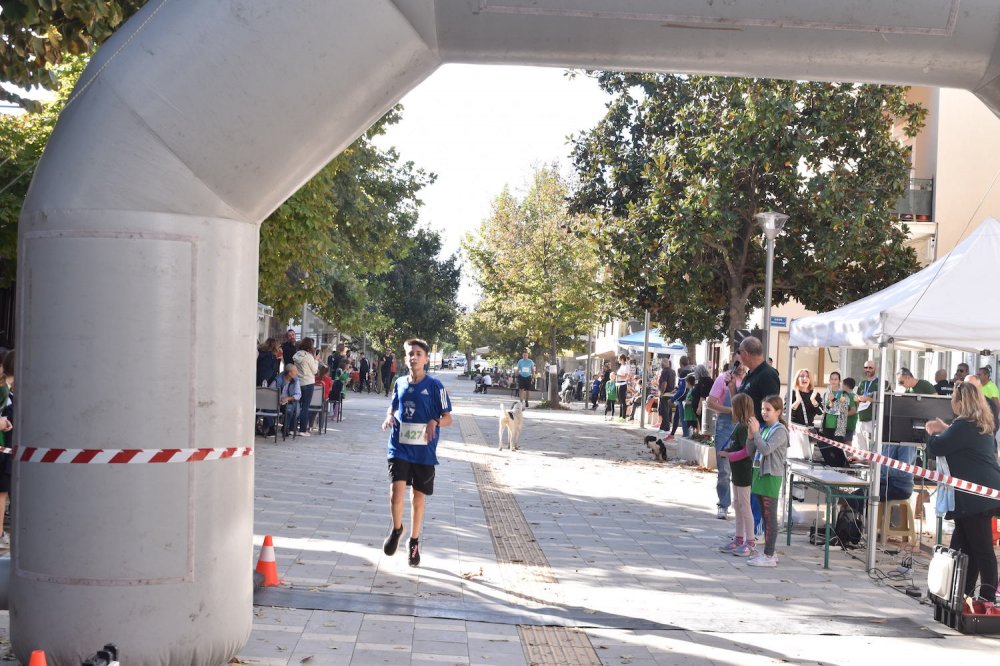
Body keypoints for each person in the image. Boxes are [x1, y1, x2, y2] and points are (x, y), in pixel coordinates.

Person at [381, 338, 453, 568]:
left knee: (417, 498)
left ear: (425, 358)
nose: (414, 357)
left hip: (424, 450)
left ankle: (413, 542)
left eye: (418, 353)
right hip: (399, 445)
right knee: (396, 493)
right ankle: (396, 529)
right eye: (410, 353)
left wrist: (435, 421)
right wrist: (389, 416)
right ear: (406, 358)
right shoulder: (399, 382)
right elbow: (392, 406)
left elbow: (448, 418)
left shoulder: (435, 386)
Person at [925, 381, 1000, 602]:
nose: (951, 404)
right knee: (963, 545)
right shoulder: (979, 423)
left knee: (980, 546)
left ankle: (985, 595)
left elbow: (937, 447)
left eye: (953, 401)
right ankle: (960, 593)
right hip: (982, 493)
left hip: (975, 497)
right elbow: (961, 441)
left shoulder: (964, 426)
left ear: (960, 402)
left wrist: (930, 433)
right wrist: (945, 429)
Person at [745, 395, 790, 567]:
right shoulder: (764, 428)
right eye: (763, 409)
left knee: (770, 516)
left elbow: (765, 449)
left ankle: (769, 555)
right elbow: (751, 451)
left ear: (778, 412)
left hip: (771, 476)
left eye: (768, 410)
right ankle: (767, 553)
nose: (764, 413)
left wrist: (756, 433)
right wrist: (751, 436)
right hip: (759, 474)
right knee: (764, 514)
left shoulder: (780, 431)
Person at [717, 393, 756, 556]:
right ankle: (739, 539)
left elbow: (747, 451)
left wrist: (729, 455)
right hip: (737, 473)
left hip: (744, 473)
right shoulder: (739, 426)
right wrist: (728, 451)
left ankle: (750, 542)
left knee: (745, 507)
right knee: (738, 506)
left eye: (734, 407)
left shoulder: (744, 427)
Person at [707, 359, 745, 519]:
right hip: (725, 425)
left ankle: (742, 505)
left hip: (744, 425)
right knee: (724, 469)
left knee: (743, 469)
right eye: (739, 361)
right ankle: (723, 504)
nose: (742, 365)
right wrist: (730, 410)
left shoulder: (750, 381)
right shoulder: (723, 378)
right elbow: (710, 403)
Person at [735, 336, 780, 424]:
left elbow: (772, 411)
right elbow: (738, 405)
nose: (739, 356)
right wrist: (731, 387)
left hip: (758, 432)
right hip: (746, 429)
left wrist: (758, 434)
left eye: (739, 352)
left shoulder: (767, 375)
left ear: (746, 353)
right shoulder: (749, 375)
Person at [819, 371, 855, 467]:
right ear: (829, 380)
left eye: (836, 379)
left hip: (838, 427)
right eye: (832, 379)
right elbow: (825, 408)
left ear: (839, 381)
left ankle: (842, 468)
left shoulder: (844, 394)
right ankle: (829, 467)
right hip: (827, 425)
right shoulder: (827, 393)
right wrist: (828, 406)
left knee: (837, 450)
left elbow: (844, 409)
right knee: (828, 450)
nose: (834, 381)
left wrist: (834, 400)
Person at [0, 351, 16, 550]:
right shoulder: (4, 389)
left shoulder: (8, 389)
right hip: (4, 449)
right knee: (2, 494)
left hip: (6, 449)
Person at [293, 337, 319, 436]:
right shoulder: (309, 357)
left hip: (298, 382)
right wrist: (316, 360)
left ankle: (292, 428)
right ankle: (303, 430)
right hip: (308, 382)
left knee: (297, 405)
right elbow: (315, 371)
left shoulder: (296, 355)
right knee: (305, 407)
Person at [855, 361, 882, 451]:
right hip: (861, 418)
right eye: (866, 367)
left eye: (870, 368)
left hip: (873, 419)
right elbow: (857, 397)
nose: (868, 370)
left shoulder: (881, 383)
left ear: (875, 369)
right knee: (861, 448)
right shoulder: (862, 383)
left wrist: (869, 399)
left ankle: (872, 464)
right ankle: (865, 463)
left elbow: (886, 401)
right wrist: (858, 398)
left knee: (872, 447)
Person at [275, 365, 301, 437]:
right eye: (295, 371)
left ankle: (286, 428)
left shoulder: (296, 380)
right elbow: (271, 390)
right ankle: (270, 428)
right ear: (290, 373)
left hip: (289, 401)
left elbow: (298, 395)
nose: (297, 372)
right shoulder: (278, 379)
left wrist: (288, 398)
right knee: (268, 408)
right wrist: (278, 398)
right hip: (277, 401)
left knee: (289, 409)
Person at [657, 358, 676, 432]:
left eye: (661, 363)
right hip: (671, 393)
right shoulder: (672, 371)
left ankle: (665, 428)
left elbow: (664, 383)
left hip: (665, 393)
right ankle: (662, 427)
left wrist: (661, 393)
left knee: (664, 411)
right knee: (668, 411)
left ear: (663, 364)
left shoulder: (664, 372)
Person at [614, 354, 635, 422]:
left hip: (622, 384)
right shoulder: (621, 366)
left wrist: (617, 374)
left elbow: (625, 376)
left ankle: (623, 417)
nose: (618, 360)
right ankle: (620, 416)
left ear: (622, 359)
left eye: (619, 359)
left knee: (623, 401)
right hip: (618, 383)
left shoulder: (626, 366)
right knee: (620, 401)